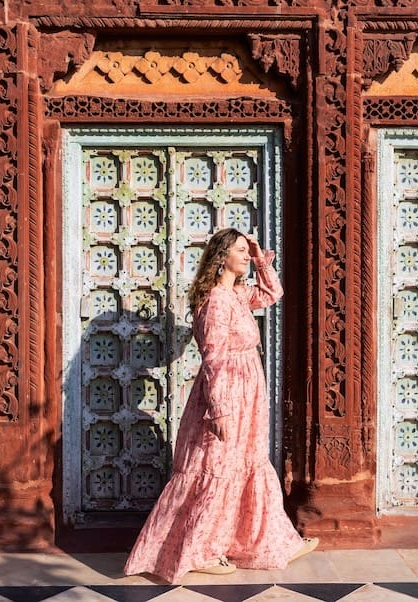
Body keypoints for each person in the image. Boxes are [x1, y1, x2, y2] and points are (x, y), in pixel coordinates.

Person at [124, 227, 318, 584]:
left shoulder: (237, 295)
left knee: (246, 465)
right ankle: (200, 551)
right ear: (222, 257)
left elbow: (273, 292)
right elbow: (213, 359)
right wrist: (219, 409)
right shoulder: (215, 300)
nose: (246, 256)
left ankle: (269, 540)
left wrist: (260, 258)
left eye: (247, 251)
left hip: (248, 393)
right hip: (228, 393)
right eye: (241, 251)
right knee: (216, 467)